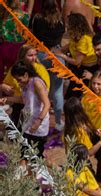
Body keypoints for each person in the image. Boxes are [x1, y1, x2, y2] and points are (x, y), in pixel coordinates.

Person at [1, 61, 50, 158]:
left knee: (36, 157)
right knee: (25, 154)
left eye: (19, 79)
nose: (18, 83)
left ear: (26, 74)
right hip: (28, 124)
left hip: (38, 126)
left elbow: (47, 104)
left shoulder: (36, 83)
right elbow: (24, 100)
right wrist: (6, 99)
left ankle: (55, 169)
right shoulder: (25, 84)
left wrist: (38, 122)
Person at [31, 0, 65, 131]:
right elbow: (61, 37)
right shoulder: (60, 20)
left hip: (40, 54)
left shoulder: (37, 19)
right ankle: (58, 121)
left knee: (40, 88)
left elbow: (33, 34)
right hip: (57, 55)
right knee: (57, 90)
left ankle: (40, 118)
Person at [1, 45, 50, 129]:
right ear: (22, 56)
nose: (33, 58)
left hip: (34, 109)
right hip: (19, 105)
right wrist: (3, 87)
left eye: (35, 55)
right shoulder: (16, 68)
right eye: (30, 55)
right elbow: (6, 82)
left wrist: (39, 120)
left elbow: (46, 98)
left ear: (26, 75)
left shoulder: (40, 72)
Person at [55, 13, 98, 99]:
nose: (66, 26)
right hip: (79, 67)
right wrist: (57, 51)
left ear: (75, 26)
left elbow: (76, 61)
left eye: (68, 24)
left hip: (87, 70)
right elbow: (69, 46)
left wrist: (62, 55)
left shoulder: (84, 40)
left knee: (73, 96)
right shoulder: (75, 36)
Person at [0, 0, 30, 82]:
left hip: (5, 48)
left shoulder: (2, 15)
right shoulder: (25, 16)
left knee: (3, 75)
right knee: (20, 73)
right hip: (20, 48)